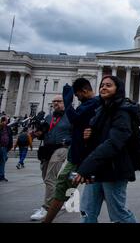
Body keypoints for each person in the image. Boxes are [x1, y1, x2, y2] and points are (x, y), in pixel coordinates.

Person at [72, 75, 138, 223]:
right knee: (87, 212)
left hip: (114, 169)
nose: (103, 87)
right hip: (96, 169)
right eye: (102, 85)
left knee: (119, 215)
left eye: (109, 85)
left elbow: (114, 142)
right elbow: (101, 138)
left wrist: (86, 167)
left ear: (118, 89)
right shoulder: (101, 110)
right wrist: (89, 135)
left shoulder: (123, 111)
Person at [43, 78, 100, 223]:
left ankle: (48, 217)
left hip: (80, 157)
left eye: (77, 95)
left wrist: (68, 104)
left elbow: (76, 120)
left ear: (85, 91)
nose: (77, 98)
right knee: (88, 196)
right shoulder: (90, 104)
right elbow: (80, 127)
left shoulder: (93, 103)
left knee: (63, 184)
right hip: (79, 153)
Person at [30, 95, 73, 221]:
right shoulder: (49, 117)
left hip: (62, 148)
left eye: (58, 101)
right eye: (54, 101)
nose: (55, 103)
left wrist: (68, 141)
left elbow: (77, 133)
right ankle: (60, 200)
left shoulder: (71, 116)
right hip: (48, 149)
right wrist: (38, 133)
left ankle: (47, 208)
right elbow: (43, 134)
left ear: (65, 103)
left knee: (50, 177)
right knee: (46, 177)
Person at [0, 116, 13, 182]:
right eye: (6, 120)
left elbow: (10, 136)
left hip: (5, 147)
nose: (7, 121)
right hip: (1, 146)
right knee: (2, 161)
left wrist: (10, 145)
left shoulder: (8, 128)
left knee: (3, 161)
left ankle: (1, 176)